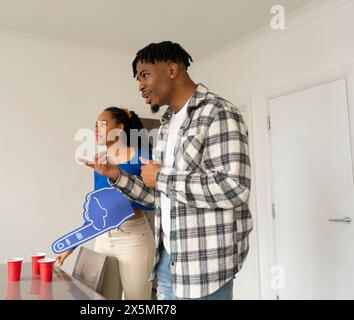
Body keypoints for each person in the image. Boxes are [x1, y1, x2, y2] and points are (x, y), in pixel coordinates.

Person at [85, 41, 253, 300]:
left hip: (205, 268)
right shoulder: (165, 126)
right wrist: (117, 176)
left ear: (172, 69)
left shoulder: (218, 113)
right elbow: (159, 196)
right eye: (138, 78)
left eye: (145, 75)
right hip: (166, 262)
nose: (140, 85)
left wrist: (161, 176)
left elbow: (234, 188)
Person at [55, 107, 155, 300]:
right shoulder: (100, 163)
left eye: (103, 124)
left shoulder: (142, 156)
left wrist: (120, 181)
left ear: (119, 128)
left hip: (133, 238)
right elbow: (99, 210)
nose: (97, 130)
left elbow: (154, 201)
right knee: (102, 301)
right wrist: (72, 243)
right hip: (103, 239)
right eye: (95, 125)